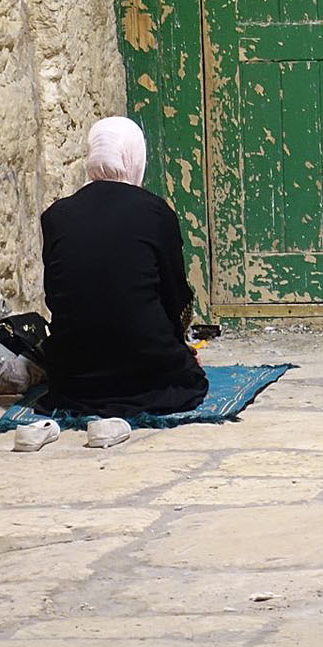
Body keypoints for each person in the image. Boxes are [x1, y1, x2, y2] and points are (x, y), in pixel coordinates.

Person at [21, 117, 207, 450]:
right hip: (148, 368)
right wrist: (179, 346)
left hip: (75, 378)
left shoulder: (56, 215)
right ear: (135, 156)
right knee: (189, 380)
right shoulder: (155, 212)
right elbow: (174, 293)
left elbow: (57, 295)